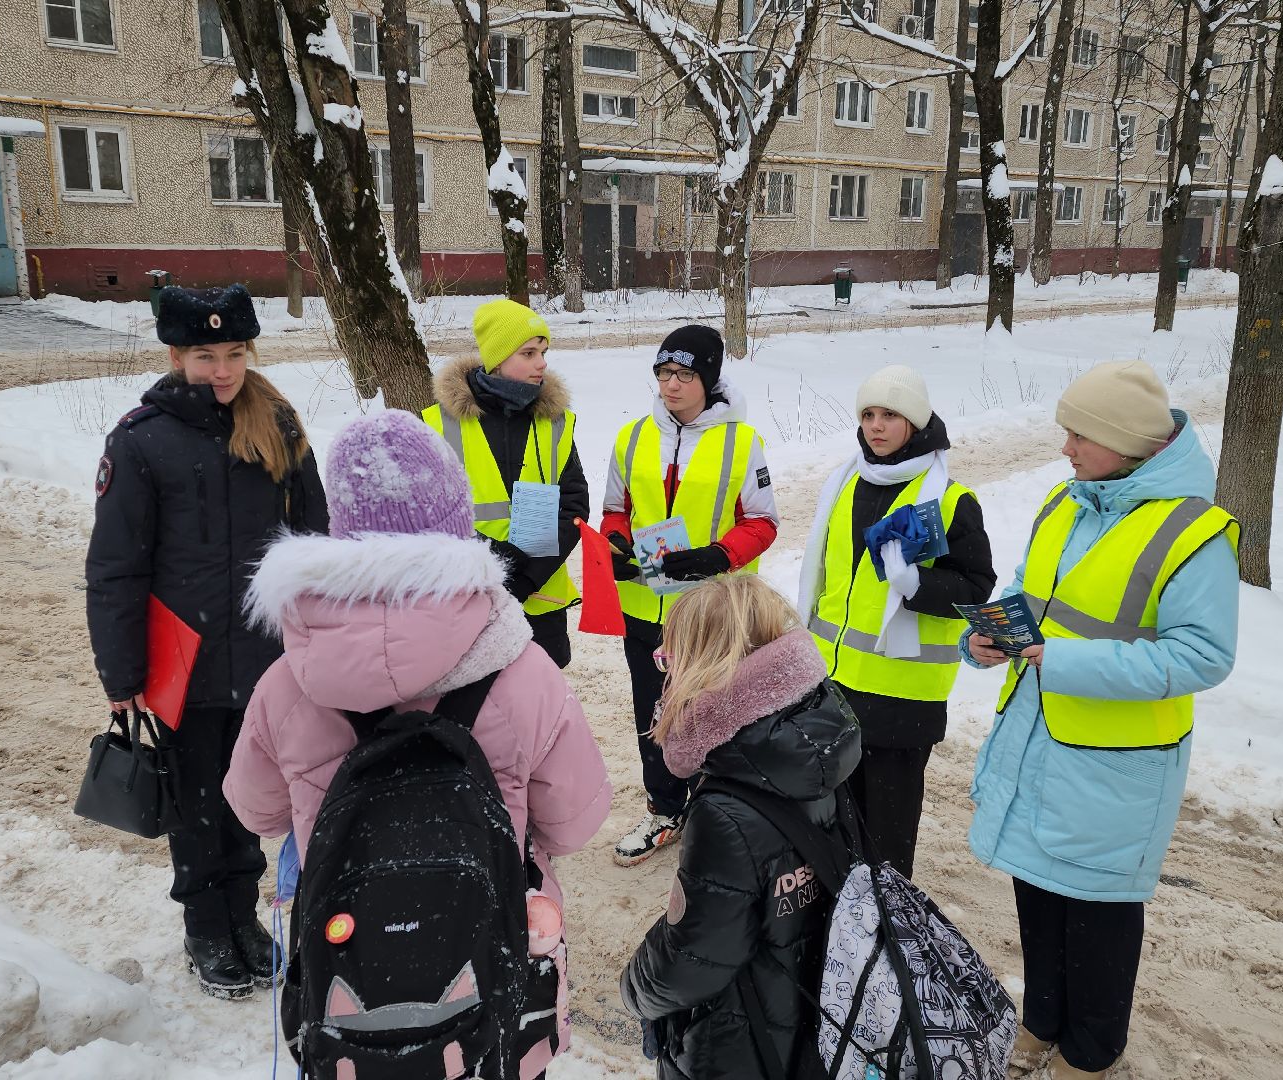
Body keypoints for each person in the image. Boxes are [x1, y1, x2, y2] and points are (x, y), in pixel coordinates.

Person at [223, 410, 612, 1077]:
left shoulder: (289, 679)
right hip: (486, 962)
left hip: (350, 978)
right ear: (455, 520)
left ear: (340, 529)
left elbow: (255, 811)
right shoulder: (521, 668)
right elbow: (576, 822)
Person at [962, 360, 1237, 1080]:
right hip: (1037, 740)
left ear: (1126, 442)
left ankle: (1089, 1056)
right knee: (1038, 896)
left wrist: (1064, 663)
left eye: (1079, 434)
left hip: (1117, 767)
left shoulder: (1193, 531)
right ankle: (1040, 1023)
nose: (1065, 448)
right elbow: (1028, 592)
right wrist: (988, 637)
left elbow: (1204, 657)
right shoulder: (1069, 501)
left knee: (1099, 918)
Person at [85, 283, 329, 1000]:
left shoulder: (276, 425)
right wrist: (121, 669)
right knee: (194, 802)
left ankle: (245, 916)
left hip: (264, 657)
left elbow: (313, 542)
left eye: (233, 354)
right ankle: (204, 922)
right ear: (176, 354)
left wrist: (319, 644)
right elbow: (116, 566)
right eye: (204, 355)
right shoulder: (140, 441)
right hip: (179, 663)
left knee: (250, 797)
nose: (222, 371)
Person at [621, 575, 861, 1080]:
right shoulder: (814, 744)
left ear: (703, 666)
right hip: (811, 1005)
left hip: (744, 1038)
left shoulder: (726, 807)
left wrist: (635, 985)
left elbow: (694, 959)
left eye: (670, 658)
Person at [797, 365, 994, 880]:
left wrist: (917, 586)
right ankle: (839, 926)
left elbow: (976, 587)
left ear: (917, 420)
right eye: (868, 414)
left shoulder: (949, 500)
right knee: (834, 826)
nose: (876, 426)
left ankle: (886, 932)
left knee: (885, 841)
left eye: (890, 415)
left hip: (900, 698)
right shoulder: (843, 485)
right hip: (833, 685)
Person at [601, 324, 780, 866]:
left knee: (714, 713)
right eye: (663, 373)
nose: (670, 385)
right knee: (651, 712)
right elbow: (616, 509)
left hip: (711, 613)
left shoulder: (743, 442)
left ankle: (718, 814)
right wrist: (614, 542)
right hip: (644, 609)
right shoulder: (632, 438)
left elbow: (764, 522)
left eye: (683, 374)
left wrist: (718, 555)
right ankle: (663, 808)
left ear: (709, 378)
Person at [424, 300, 589, 668]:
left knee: (536, 707)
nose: (541, 363)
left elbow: (573, 508)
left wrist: (527, 577)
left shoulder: (555, 423)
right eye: (528, 353)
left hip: (539, 600)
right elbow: (424, 515)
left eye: (543, 352)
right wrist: (492, 563)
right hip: (467, 597)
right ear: (497, 358)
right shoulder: (438, 425)